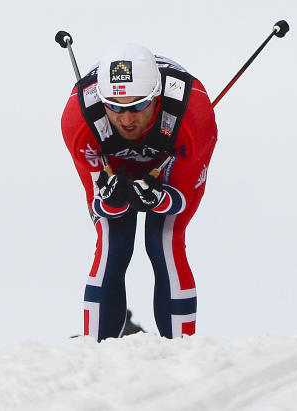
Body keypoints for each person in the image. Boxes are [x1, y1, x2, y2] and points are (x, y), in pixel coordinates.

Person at [61, 44, 217, 341]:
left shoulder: (194, 114)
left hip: (171, 155)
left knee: (164, 238)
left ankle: (182, 352)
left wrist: (160, 198)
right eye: (115, 106)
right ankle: (94, 351)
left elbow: (180, 202)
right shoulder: (78, 119)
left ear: (157, 98)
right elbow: (98, 203)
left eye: (138, 105)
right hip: (112, 158)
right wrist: (113, 199)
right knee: (112, 240)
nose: (127, 119)